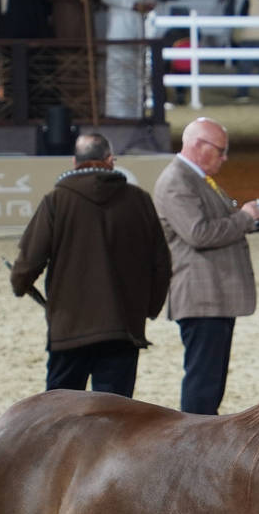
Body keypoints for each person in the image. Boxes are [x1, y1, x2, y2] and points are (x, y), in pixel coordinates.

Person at [11, 132, 171, 395]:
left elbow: (30, 260)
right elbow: (161, 264)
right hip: (123, 327)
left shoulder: (56, 200)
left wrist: (20, 284)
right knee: (115, 418)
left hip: (69, 328)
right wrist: (148, 309)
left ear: (75, 162)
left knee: (59, 415)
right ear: (110, 160)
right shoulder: (139, 200)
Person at [151, 117, 259, 414]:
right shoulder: (176, 181)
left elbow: (216, 224)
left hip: (214, 296)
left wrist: (256, 219)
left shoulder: (196, 179)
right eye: (220, 150)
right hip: (201, 297)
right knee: (203, 383)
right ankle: (194, 445)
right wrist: (245, 217)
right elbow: (198, 233)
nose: (224, 158)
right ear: (198, 146)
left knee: (211, 381)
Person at [100, 0, 152, 118]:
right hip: (119, 25)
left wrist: (146, 4)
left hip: (137, 25)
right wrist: (131, 4)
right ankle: (116, 113)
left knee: (136, 70)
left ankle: (135, 112)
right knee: (118, 70)